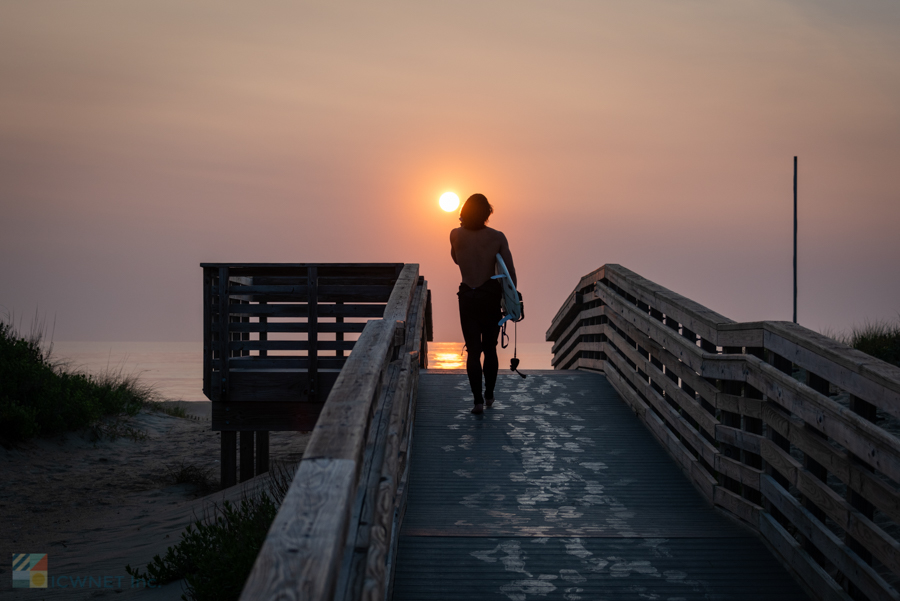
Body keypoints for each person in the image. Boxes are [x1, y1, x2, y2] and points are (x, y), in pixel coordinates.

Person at [450, 193, 517, 415]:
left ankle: (477, 402)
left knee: (473, 351)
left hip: (468, 295)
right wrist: (511, 301)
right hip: (490, 296)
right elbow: (510, 275)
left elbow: (457, 259)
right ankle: (489, 395)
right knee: (490, 349)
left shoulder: (455, 235)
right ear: (487, 213)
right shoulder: (498, 237)